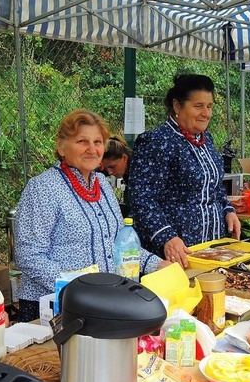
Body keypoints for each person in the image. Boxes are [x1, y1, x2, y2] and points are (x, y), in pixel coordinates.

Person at [14, 109, 169, 322]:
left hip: (100, 302)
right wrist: (78, 288)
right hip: (55, 308)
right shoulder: (43, 188)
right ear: (61, 146)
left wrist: (156, 264)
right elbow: (28, 256)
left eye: (97, 142)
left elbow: (118, 243)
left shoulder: (102, 184)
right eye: (81, 141)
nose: (91, 149)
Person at [129, 74, 241, 269]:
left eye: (210, 106)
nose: (206, 113)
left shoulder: (207, 140)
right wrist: (167, 237)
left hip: (211, 247)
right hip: (176, 252)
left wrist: (228, 210)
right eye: (198, 106)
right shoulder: (157, 142)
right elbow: (142, 199)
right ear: (177, 106)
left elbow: (215, 188)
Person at [101, 135, 132, 216]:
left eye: (112, 167)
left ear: (124, 158)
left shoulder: (140, 171)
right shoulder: (113, 169)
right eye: (106, 168)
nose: (110, 172)